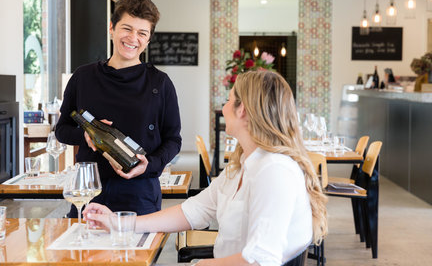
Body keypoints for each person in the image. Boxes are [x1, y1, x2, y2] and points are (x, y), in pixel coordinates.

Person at [84, 70, 328, 265]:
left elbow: (261, 259)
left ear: (242, 109)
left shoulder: (274, 171)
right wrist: (120, 222)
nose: (224, 106)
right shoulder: (244, 164)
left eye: (229, 99)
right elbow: (193, 211)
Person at [56, 0, 182, 217]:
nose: (133, 38)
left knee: (136, 253)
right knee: (84, 251)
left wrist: (150, 165)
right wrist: (85, 135)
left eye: (142, 33)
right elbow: (62, 130)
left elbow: (173, 140)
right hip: (90, 189)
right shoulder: (83, 77)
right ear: (112, 28)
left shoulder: (160, 83)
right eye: (127, 28)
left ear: (149, 39)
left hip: (140, 192)